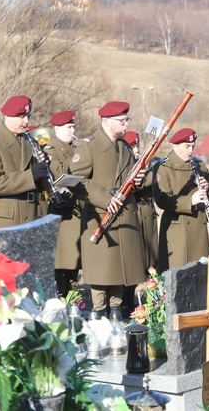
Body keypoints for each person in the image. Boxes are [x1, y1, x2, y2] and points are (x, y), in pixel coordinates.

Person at [69, 101, 147, 316]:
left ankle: (116, 313)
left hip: (123, 216)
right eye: (122, 121)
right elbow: (75, 181)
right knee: (102, 274)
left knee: (119, 274)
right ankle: (99, 316)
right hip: (100, 215)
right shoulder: (89, 146)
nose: (126, 125)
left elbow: (129, 179)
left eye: (127, 120)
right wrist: (104, 198)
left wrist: (138, 180)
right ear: (106, 122)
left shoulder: (123, 147)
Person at [153, 127, 209, 272]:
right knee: (177, 274)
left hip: (198, 227)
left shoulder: (199, 164)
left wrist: (208, 188)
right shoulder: (163, 167)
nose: (191, 151)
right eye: (187, 146)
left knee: (200, 274)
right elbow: (161, 199)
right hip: (177, 229)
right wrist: (190, 201)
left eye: (193, 146)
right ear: (175, 146)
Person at [0, 95, 50, 228]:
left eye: (28, 116)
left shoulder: (30, 141)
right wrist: (31, 175)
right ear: (7, 117)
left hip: (33, 216)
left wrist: (44, 169)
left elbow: (42, 187)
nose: (26, 122)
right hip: (6, 220)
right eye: (21, 117)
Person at [44, 110, 81, 298]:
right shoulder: (51, 150)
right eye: (68, 127)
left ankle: (72, 299)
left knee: (74, 262)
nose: (72, 130)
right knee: (63, 261)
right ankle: (62, 298)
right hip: (63, 212)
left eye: (73, 126)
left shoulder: (74, 148)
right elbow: (60, 176)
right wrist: (78, 159)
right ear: (57, 129)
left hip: (77, 211)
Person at [126, 131, 159, 269]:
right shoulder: (126, 165)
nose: (137, 150)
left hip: (148, 210)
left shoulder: (144, 162)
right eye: (133, 146)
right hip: (136, 209)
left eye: (137, 146)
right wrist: (149, 176)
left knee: (152, 255)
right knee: (139, 252)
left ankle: (153, 278)